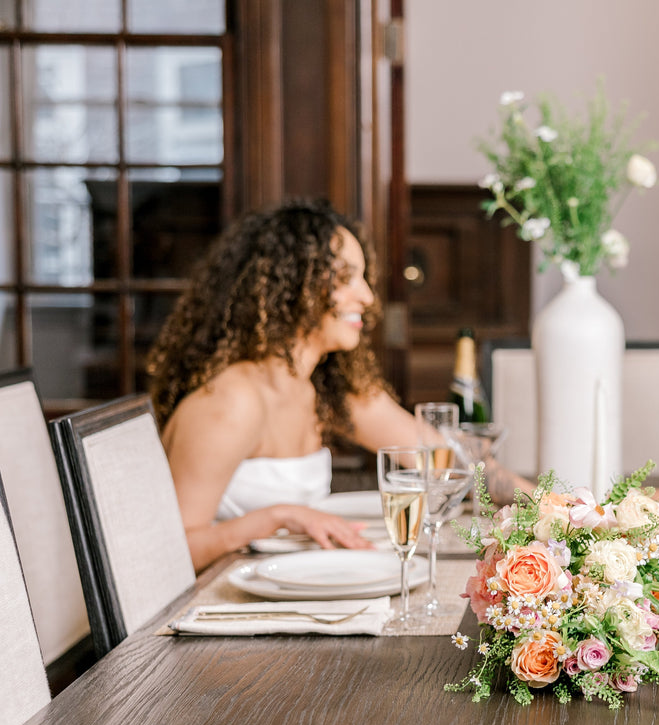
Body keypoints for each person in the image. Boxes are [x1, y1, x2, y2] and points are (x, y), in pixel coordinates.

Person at [148, 198, 532, 573]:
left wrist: (555, 510)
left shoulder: (323, 386)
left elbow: (443, 457)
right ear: (293, 285)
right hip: (224, 609)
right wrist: (276, 517)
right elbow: (171, 554)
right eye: (346, 278)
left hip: (303, 588)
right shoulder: (232, 402)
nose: (366, 296)